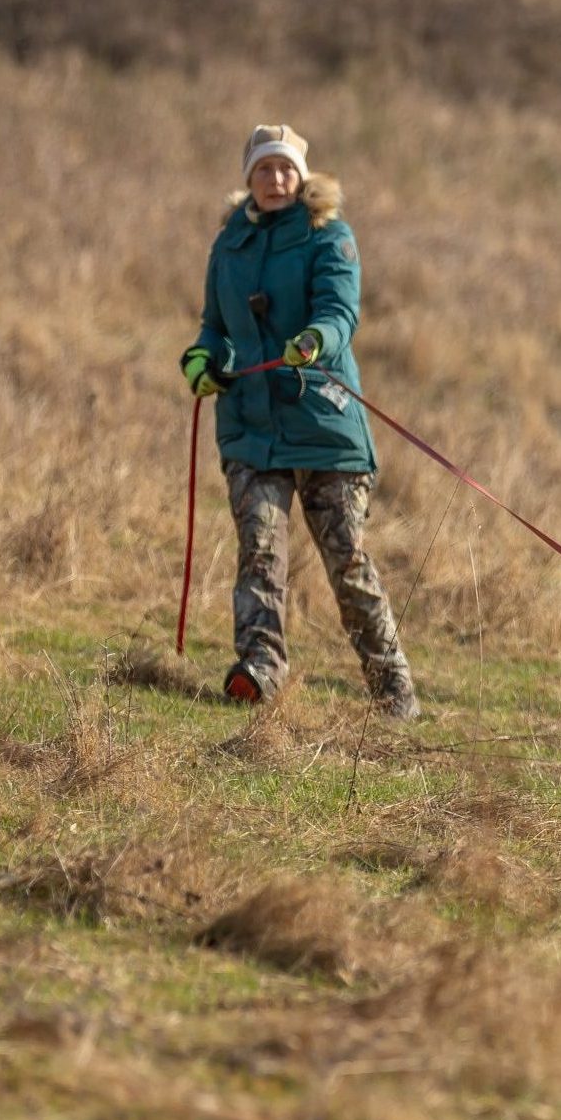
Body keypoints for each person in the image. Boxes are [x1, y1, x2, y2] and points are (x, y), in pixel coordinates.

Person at [180, 123, 418, 720]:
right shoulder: (227, 245)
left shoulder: (328, 237)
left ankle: (393, 691)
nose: (276, 179)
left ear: (303, 175)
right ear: (249, 179)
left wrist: (315, 339)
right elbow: (215, 324)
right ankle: (259, 672)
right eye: (264, 169)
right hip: (251, 428)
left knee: (347, 562)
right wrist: (203, 358)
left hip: (325, 429)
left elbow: (340, 314)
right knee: (259, 551)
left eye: (286, 168)